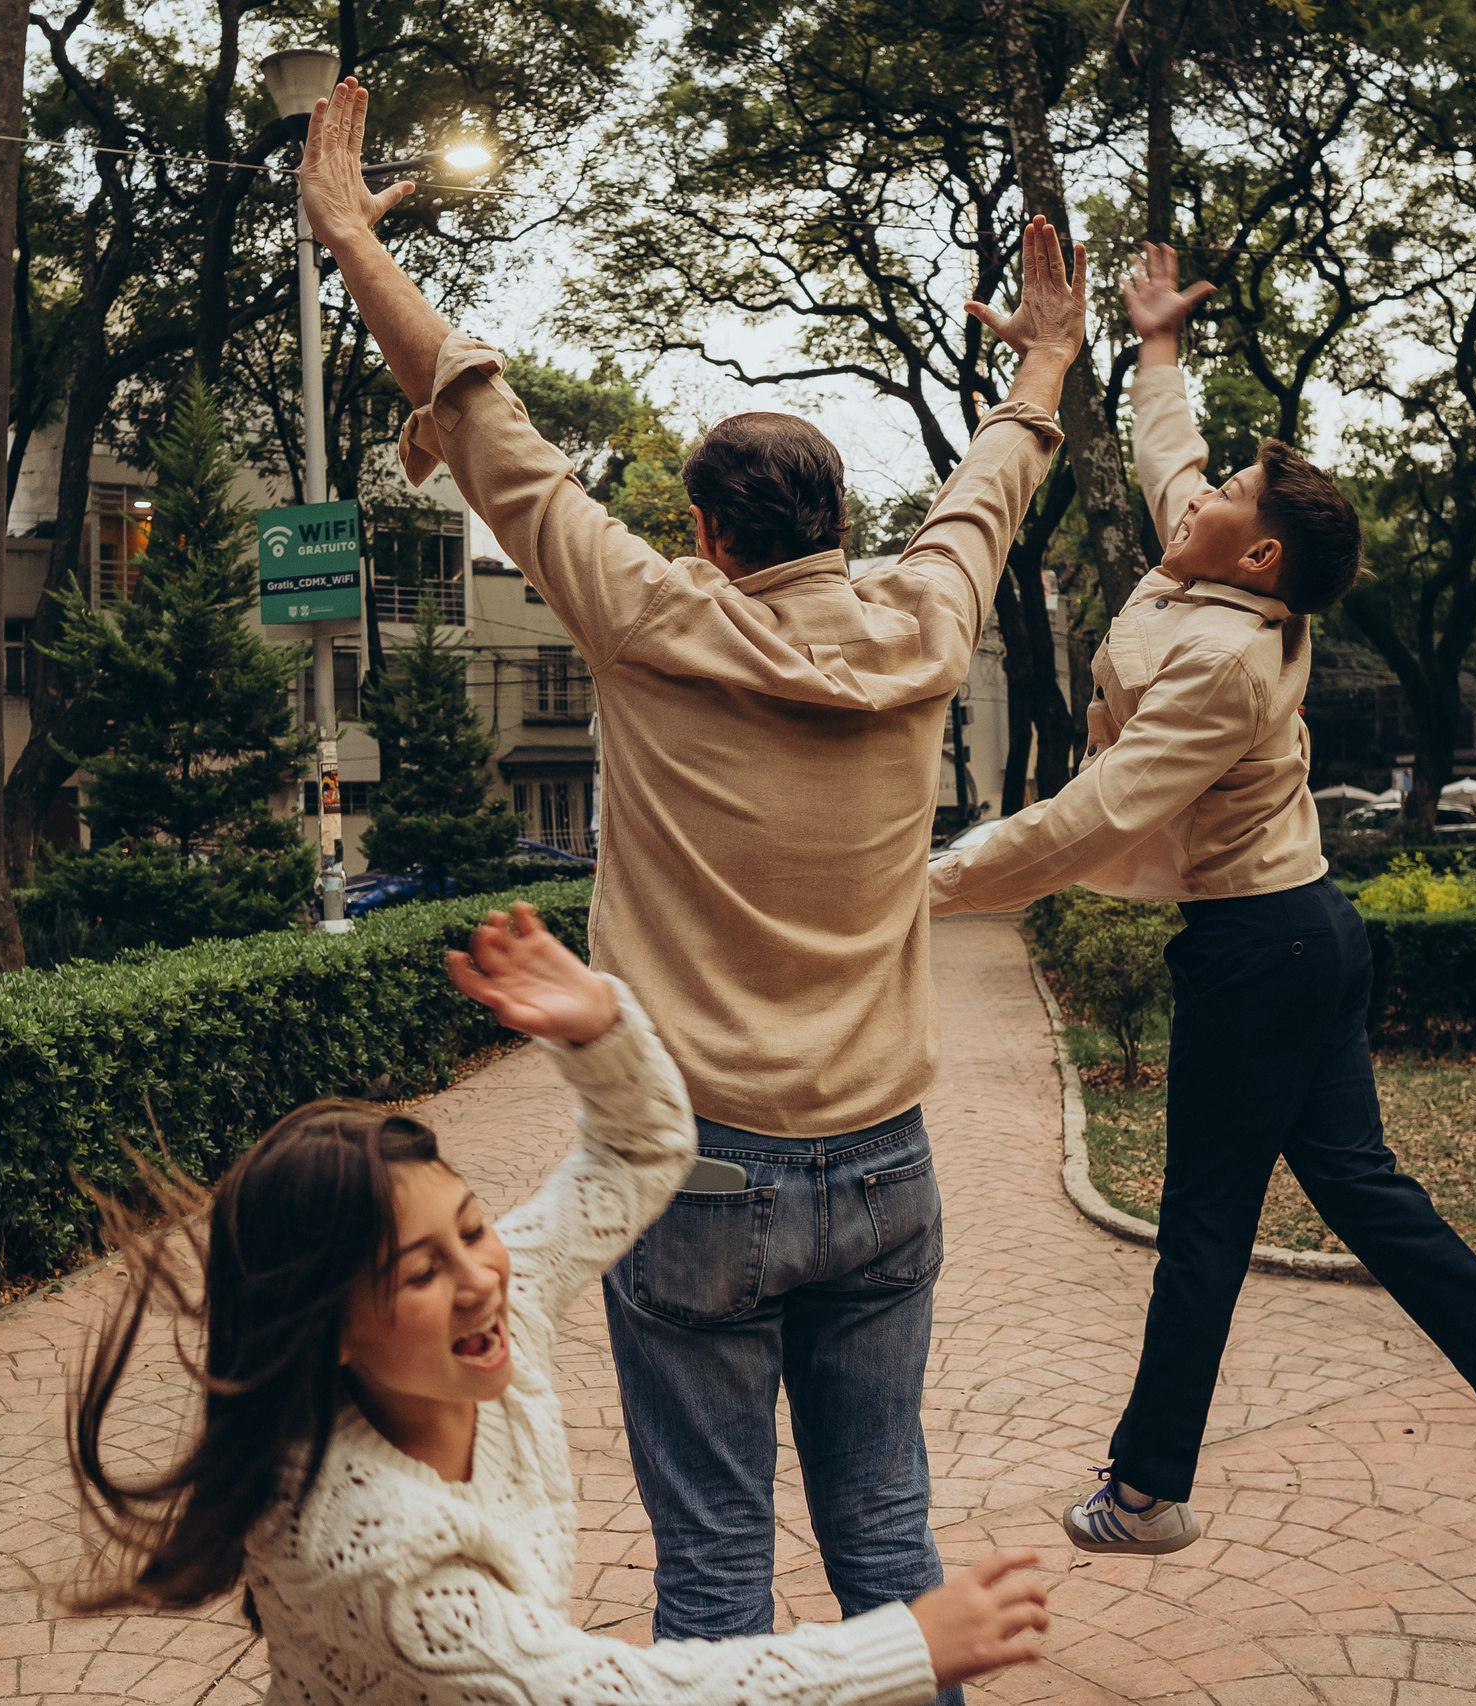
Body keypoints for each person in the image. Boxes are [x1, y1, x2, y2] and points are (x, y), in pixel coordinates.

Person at [296, 81, 1082, 1679]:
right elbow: (991, 487)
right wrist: (1050, 363)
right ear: (842, 522)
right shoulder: (930, 624)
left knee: (713, 1564)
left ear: (710, 537)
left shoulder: (655, 618)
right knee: (888, 1540)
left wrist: (355, 245)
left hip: (699, 1172)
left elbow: (484, 418)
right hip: (887, 1174)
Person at [928, 242, 1476, 1618]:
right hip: (1305, 930)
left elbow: (1090, 815)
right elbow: (1167, 454)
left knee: (1203, 1224)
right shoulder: (1235, 574)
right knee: (1363, 1196)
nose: (1191, 499)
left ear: (1253, 550)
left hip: (1260, 948)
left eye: (1226, 498)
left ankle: (1146, 1489)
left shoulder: (1226, 664)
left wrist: (927, 879)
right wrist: (1156, 347)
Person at [66, 904, 1052, 1706]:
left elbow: (633, 1158)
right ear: (327, 1331)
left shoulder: (485, 1308)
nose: (479, 1273)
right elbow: (608, 1690)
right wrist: (900, 1645)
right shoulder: (380, 1548)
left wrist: (599, 1032)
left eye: (470, 1224)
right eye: (420, 1270)